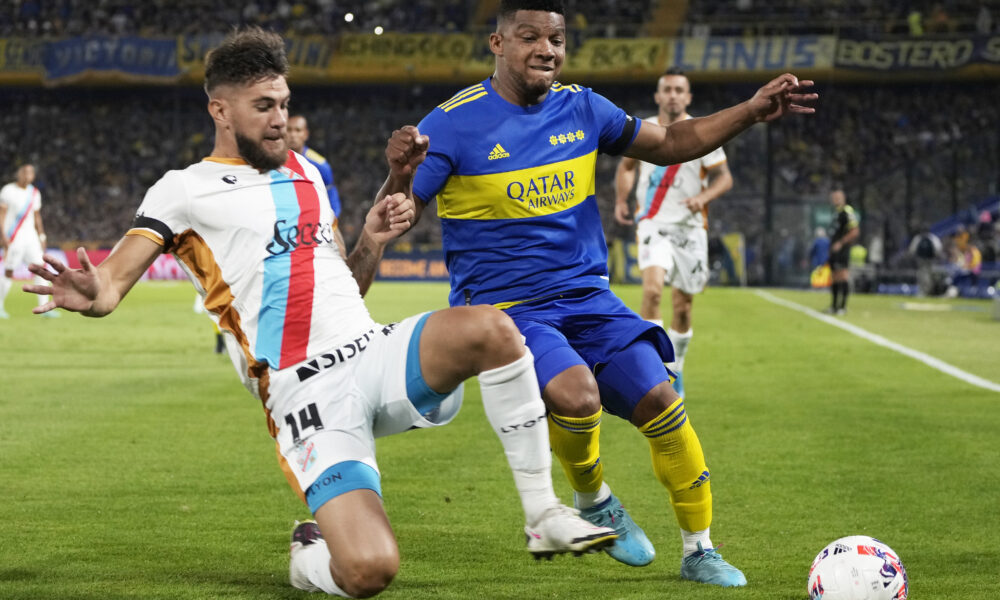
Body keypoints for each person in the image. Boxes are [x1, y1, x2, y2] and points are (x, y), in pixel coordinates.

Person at [23, 28, 615, 599]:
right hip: (304, 392)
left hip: (371, 353)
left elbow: (348, 284)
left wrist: (371, 241)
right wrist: (91, 292)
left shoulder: (305, 172)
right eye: (263, 106)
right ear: (220, 111)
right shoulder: (183, 190)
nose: (280, 118)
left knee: (493, 327)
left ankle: (542, 514)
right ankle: (307, 557)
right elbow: (110, 284)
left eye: (284, 103)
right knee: (369, 571)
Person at [386, 0, 815, 587]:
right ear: (498, 43)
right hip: (507, 311)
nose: (546, 50)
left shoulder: (584, 107)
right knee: (577, 395)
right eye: (530, 37)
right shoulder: (452, 124)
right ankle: (594, 500)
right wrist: (399, 174)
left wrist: (750, 110)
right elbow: (397, 213)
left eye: (556, 39)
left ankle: (700, 550)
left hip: (588, 298)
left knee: (663, 403)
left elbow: (670, 141)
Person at [613, 68, 734, 397]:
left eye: (679, 90)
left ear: (688, 97)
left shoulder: (703, 132)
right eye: (667, 89)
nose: (672, 95)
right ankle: (655, 372)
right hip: (652, 223)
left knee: (683, 306)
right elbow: (626, 166)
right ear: (658, 95)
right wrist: (622, 199)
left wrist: (703, 198)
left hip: (690, 228)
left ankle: (676, 367)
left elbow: (724, 177)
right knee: (652, 292)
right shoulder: (644, 130)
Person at [0, 163, 57, 319]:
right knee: (9, 271)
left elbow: (37, 216)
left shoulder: (34, 193)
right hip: (14, 238)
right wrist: (3, 236)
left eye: (30, 173)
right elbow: (1, 214)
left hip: (31, 238)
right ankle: (0, 306)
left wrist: (42, 236)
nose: (27, 175)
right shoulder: (8, 190)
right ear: (18, 174)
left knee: (42, 269)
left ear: (33, 176)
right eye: (25, 172)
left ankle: (45, 308)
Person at [287, 114, 343, 217]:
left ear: (306, 134)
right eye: (289, 130)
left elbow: (333, 201)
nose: (293, 135)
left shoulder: (321, 165)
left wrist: (332, 222)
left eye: (298, 130)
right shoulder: (274, 161)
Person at [827, 186, 859, 315]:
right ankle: (834, 306)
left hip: (842, 249)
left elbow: (855, 231)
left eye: (837, 197)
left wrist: (841, 243)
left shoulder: (847, 211)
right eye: (833, 197)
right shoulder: (836, 212)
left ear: (843, 198)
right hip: (834, 249)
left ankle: (842, 307)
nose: (835, 200)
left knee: (843, 275)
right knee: (834, 277)